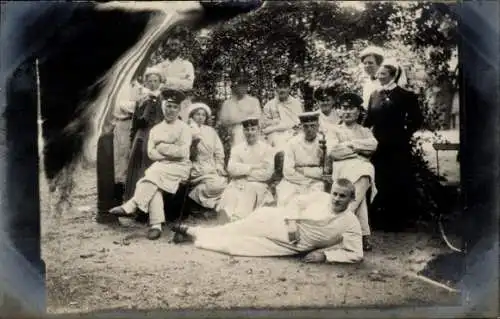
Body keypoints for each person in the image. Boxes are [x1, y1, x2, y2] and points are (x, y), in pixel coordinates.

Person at [170, 179, 363, 265]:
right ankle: (192, 230)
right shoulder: (321, 197)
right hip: (280, 222)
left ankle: (194, 236)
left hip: (293, 245)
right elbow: (295, 201)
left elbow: (355, 254)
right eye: (335, 194)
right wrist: (291, 223)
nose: (336, 199)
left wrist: (326, 257)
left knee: (239, 246)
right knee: (236, 228)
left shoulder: (350, 222)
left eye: (342, 196)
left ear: (351, 199)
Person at [108, 89, 193, 240]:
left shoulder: (184, 128)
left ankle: (132, 205)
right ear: (163, 107)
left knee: (151, 176)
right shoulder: (156, 129)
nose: (170, 110)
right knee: (154, 184)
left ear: (179, 109)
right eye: (168, 106)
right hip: (161, 166)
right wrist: (168, 149)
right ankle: (156, 226)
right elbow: (150, 154)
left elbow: (182, 152)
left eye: (174, 107)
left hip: (180, 167)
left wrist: (161, 147)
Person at [364, 59, 424, 231]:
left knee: (397, 180)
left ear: (393, 75)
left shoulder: (405, 95)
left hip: (398, 146)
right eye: (378, 74)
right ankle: (378, 220)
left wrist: (404, 134)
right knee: (379, 179)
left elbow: (416, 120)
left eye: (383, 73)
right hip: (377, 145)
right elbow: (368, 120)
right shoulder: (374, 95)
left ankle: (398, 221)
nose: (378, 76)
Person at [329, 93, 378, 251]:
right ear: (340, 112)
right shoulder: (334, 130)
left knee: (363, 174)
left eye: (351, 109)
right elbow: (334, 152)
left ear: (358, 112)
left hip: (360, 169)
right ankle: (363, 235)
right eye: (344, 108)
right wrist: (359, 151)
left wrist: (350, 145)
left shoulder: (365, 131)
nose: (348, 112)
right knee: (364, 172)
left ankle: (343, 226)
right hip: (342, 169)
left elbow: (373, 146)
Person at [217, 117, 275, 221]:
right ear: (243, 131)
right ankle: (227, 219)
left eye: (253, 129)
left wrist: (243, 173)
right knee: (230, 194)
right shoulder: (237, 149)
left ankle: (238, 219)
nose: (250, 132)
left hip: (257, 184)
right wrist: (253, 167)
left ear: (258, 130)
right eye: (247, 130)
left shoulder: (267, 149)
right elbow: (231, 169)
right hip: (237, 183)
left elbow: (266, 174)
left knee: (248, 194)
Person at [123, 67, 165, 200]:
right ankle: (135, 200)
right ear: (146, 83)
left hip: (159, 134)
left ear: (160, 82)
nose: (153, 83)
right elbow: (137, 121)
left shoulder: (164, 98)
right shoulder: (141, 99)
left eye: (155, 81)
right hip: (143, 134)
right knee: (139, 166)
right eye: (150, 81)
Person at [275, 111, 334, 206]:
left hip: (315, 183)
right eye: (306, 126)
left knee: (315, 201)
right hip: (293, 182)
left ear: (318, 126)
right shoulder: (292, 143)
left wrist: (303, 170)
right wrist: (308, 179)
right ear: (301, 127)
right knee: (286, 198)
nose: (309, 129)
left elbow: (325, 171)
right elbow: (288, 172)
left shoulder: (325, 143)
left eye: (312, 126)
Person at [186, 102, 228, 214]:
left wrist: (219, 165)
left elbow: (219, 152)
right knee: (215, 184)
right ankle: (196, 197)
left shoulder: (211, 131)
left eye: (203, 115)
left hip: (211, 165)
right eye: (197, 114)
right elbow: (187, 153)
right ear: (192, 116)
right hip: (196, 166)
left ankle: (208, 207)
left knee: (225, 184)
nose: (200, 117)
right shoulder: (187, 130)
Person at [217, 72, 262, 148]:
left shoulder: (253, 101)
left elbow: (257, 118)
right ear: (234, 86)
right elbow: (224, 121)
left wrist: (237, 119)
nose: (242, 88)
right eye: (239, 85)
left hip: (253, 132)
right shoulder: (227, 103)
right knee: (238, 132)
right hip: (234, 135)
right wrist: (246, 116)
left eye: (244, 85)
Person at [261, 74, 304, 151]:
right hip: (275, 135)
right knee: (278, 144)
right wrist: (277, 125)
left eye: (285, 87)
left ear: (289, 89)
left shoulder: (296, 104)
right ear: (276, 89)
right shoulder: (269, 105)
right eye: (280, 87)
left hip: (293, 134)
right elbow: (264, 125)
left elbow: (299, 124)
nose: (282, 90)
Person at [359, 46, 385, 114]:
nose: (367, 66)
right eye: (365, 63)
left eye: (370, 63)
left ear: (379, 64)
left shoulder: (386, 82)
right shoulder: (367, 84)